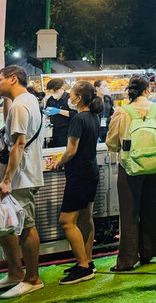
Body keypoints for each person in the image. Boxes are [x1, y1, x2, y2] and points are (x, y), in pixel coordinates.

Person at [0, 66, 45, 298]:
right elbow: (9, 127)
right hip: (19, 175)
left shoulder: (22, 105)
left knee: (26, 226)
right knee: (7, 225)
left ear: (13, 79)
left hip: (21, 176)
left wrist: (7, 180)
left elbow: (18, 144)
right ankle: (15, 273)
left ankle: (32, 279)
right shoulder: (24, 101)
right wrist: (4, 98)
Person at [107, 75, 156, 271]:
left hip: (129, 167)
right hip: (154, 165)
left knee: (129, 213)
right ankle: (148, 252)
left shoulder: (122, 111)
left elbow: (111, 142)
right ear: (147, 90)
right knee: (152, 209)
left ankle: (127, 260)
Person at [52, 81, 102, 284]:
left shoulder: (78, 119)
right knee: (85, 218)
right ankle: (87, 261)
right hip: (91, 171)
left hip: (79, 174)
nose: (69, 97)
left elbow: (71, 150)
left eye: (72, 94)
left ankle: (83, 266)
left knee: (66, 221)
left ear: (79, 98)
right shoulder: (94, 116)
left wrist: (59, 162)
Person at [44, 78, 77, 148]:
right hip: (54, 130)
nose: (53, 94)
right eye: (51, 92)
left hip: (67, 131)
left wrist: (59, 111)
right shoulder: (50, 100)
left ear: (62, 88)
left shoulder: (70, 98)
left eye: (55, 91)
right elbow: (47, 112)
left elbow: (75, 114)